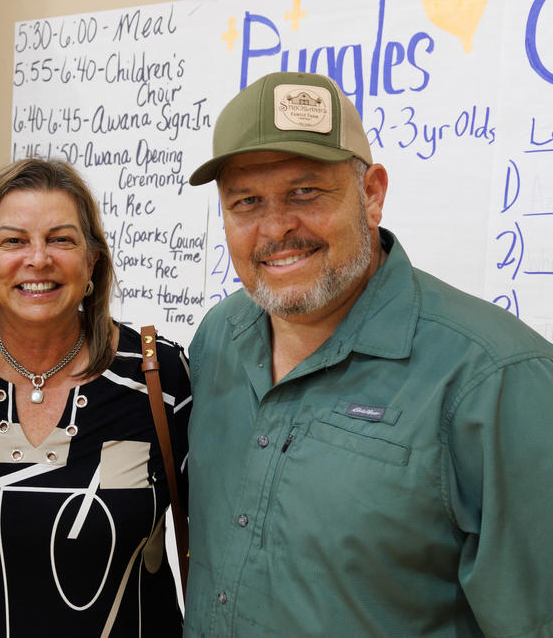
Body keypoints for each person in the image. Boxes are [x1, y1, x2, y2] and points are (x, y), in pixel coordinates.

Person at [183, 71, 553, 636]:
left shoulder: (494, 380)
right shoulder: (218, 339)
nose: (277, 227)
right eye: (246, 202)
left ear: (372, 193)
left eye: (305, 192)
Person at [0, 158, 191, 636]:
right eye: (14, 241)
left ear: (93, 260)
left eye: (62, 239)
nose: (38, 259)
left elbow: (218, 530)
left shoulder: (158, 379)